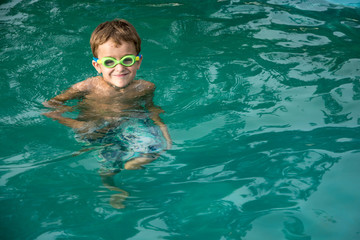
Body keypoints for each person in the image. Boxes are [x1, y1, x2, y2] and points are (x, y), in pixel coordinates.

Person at [43, 19, 172, 208]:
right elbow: (50, 106)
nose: (119, 68)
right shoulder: (86, 86)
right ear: (97, 66)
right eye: (110, 62)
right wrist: (76, 124)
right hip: (96, 127)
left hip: (131, 122)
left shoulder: (145, 87)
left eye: (127, 60)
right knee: (109, 167)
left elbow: (152, 110)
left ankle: (137, 159)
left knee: (154, 147)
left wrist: (164, 133)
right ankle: (113, 188)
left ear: (138, 62)